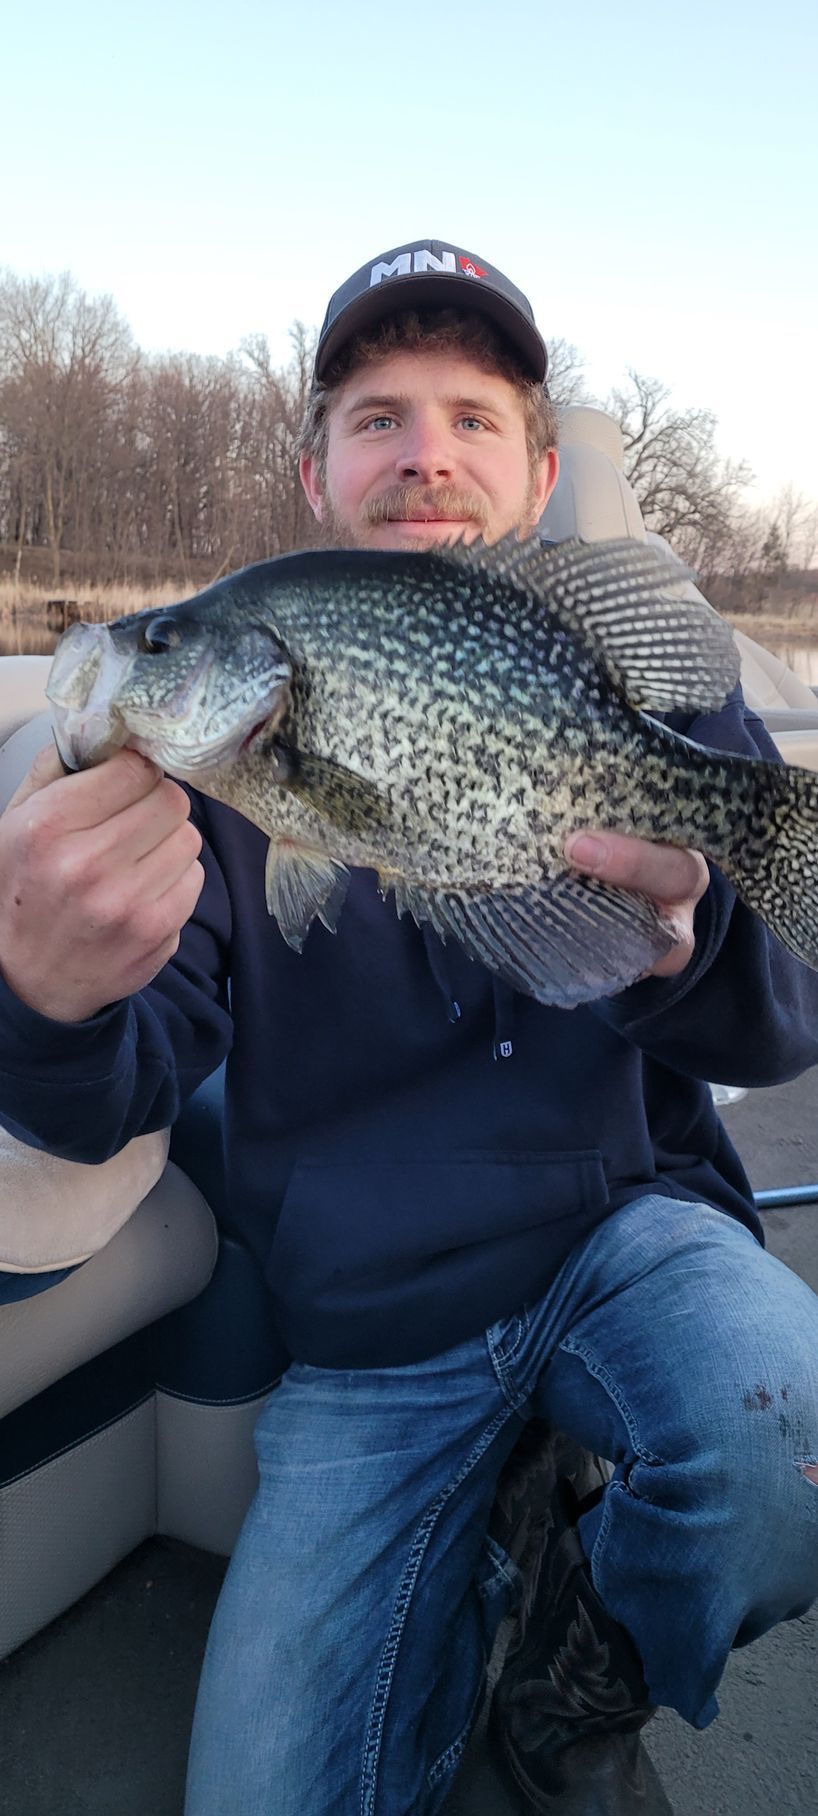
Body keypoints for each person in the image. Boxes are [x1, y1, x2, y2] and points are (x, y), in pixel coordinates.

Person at [1, 238, 817, 1816]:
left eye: (470, 415)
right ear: (314, 473)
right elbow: (125, 1075)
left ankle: (571, 1675)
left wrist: (685, 928)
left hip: (625, 1232)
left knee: (785, 1436)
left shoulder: (649, 685)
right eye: (376, 416)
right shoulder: (196, 789)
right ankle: (503, 1535)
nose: (423, 449)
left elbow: (780, 1021)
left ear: (534, 470)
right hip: (372, 1339)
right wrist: (43, 991)